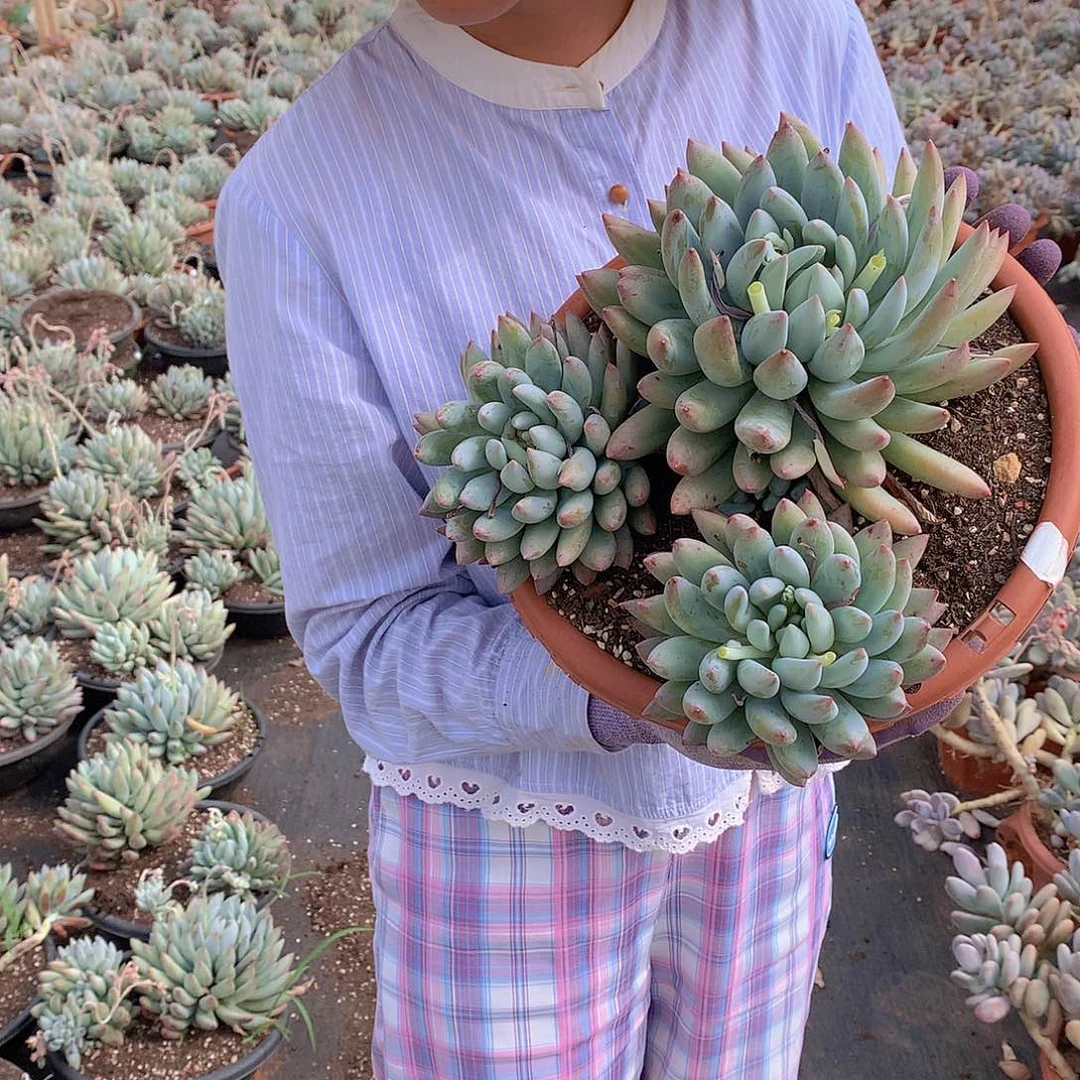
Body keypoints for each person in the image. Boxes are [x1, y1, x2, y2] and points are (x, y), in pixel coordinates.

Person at [214, 2, 1062, 1076]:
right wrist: (637, 700)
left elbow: (920, 369)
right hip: (505, 844)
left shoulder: (799, 33)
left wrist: (901, 633)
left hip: (769, 810)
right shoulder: (297, 205)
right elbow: (368, 640)